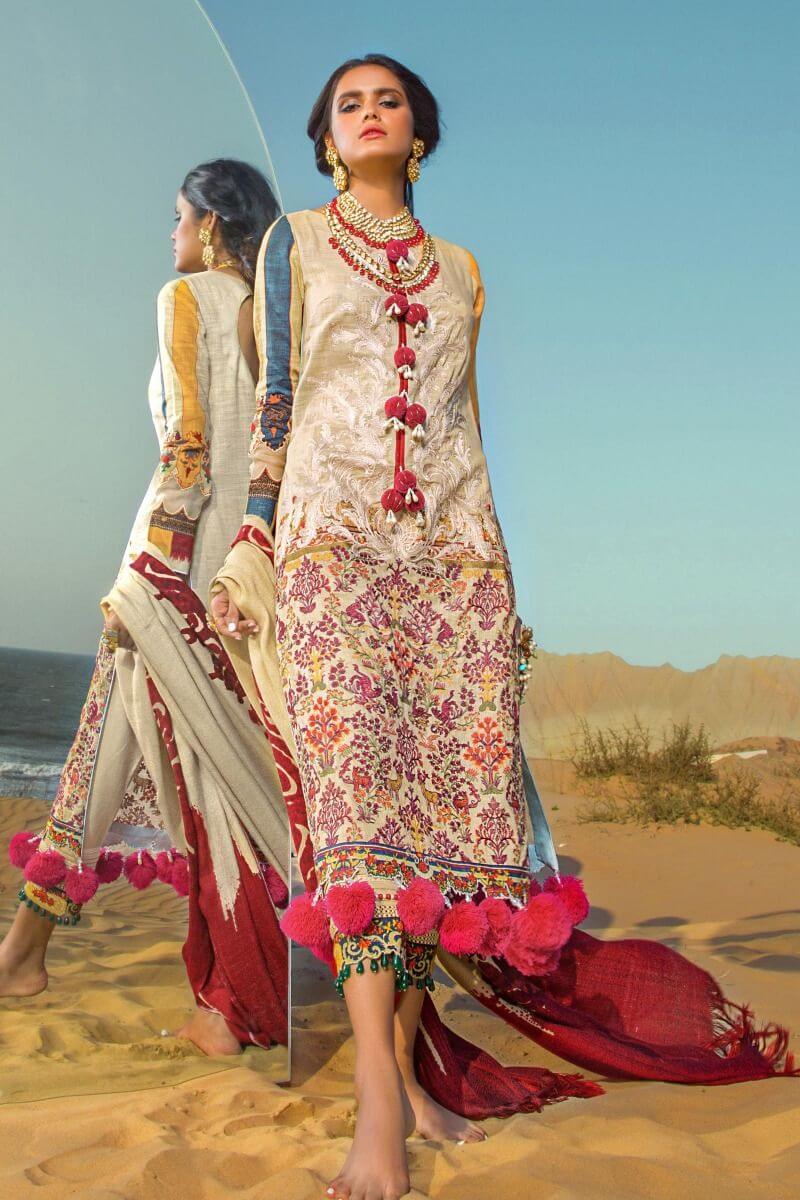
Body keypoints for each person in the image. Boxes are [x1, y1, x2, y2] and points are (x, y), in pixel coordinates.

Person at [210, 56, 796, 1200]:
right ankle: (377, 1102)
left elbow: (462, 419)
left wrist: (496, 576)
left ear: (418, 132)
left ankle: (406, 1076)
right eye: (346, 104)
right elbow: (277, 395)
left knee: (448, 838)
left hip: (456, 563)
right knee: (359, 818)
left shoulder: (462, 269)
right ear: (325, 140)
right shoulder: (294, 242)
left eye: (386, 100)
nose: (367, 113)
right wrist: (252, 533)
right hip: (330, 548)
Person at [2, 159, 291, 1056]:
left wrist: (152, 573)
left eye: (178, 218)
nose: (171, 235)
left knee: (129, 754)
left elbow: (187, 447)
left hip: (177, 566)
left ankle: (225, 999)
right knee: (204, 764)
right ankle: (28, 953)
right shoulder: (278, 318)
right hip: (252, 572)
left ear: (212, 226)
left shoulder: (187, 298)